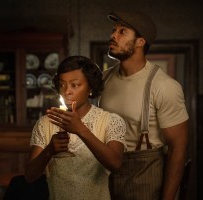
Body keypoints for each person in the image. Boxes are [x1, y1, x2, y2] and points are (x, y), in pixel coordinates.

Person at [99, 11, 189, 200]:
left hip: (145, 177)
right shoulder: (105, 78)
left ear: (141, 41)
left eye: (122, 31)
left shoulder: (164, 86)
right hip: (105, 175)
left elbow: (178, 150)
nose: (113, 35)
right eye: (114, 30)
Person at [25, 55, 126, 200]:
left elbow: (116, 164)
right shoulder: (45, 123)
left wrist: (81, 130)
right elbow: (29, 176)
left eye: (75, 85)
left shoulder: (110, 121)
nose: (67, 91)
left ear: (90, 87)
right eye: (62, 84)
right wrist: (50, 150)